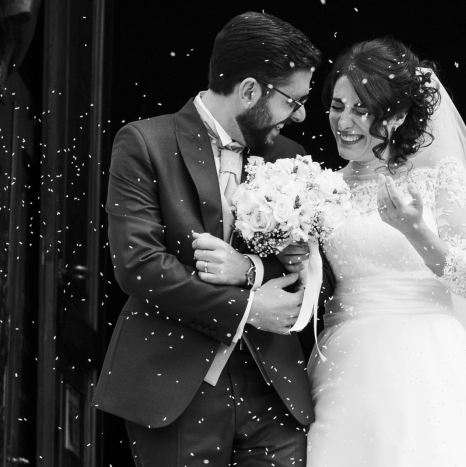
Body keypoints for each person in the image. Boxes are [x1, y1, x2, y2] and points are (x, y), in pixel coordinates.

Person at [92, 12, 332, 466]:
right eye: (291, 100)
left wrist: (253, 271)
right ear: (249, 90)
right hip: (175, 386)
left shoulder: (289, 157)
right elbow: (138, 264)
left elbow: (308, 263)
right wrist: (248, 308)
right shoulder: (145, 142)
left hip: (273, 390)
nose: (300, 115)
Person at [306, 38, 466, 466]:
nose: (344, 122)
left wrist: (417, 230)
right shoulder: (319, 189)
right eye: (337, 106)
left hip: (429, 357)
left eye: (362, 110)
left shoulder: (439, 177)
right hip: (347, 364)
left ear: (398, 116)